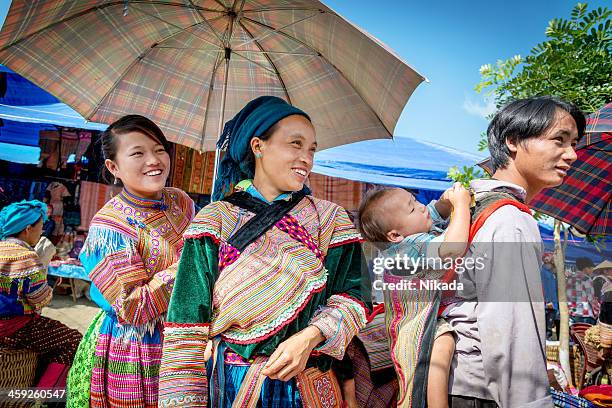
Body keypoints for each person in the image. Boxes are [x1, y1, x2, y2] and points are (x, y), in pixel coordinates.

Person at [158, 96, 371, 407]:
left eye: (311, 149)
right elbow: (186, 325)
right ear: (258, 146)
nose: (306, 159)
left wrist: (310, 336)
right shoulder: (215, 220)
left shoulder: (330, 220)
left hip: (310, 383)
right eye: (295, 144)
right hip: (232, 384)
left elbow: (355, 296)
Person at [445, 96, 585, 407]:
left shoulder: (473, 206)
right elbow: (510, 332)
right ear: (513, 141)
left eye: (573, 143)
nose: (572, 155)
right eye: (559, 141)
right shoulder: (511, 219)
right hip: (481, 392)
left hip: (458, 383)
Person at [65, 115, 195, 407]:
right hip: (138, 349)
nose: (154, 160)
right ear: (114, 167)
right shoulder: (109, 229)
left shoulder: (182, 201)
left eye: (159, 149)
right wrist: (192, 263)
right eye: (138, 153)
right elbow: (133, 307)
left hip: (187, 339)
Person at [358, 183, 472, 408]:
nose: (421, 208)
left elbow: (432, 213)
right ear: (395, 235)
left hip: (412, 320)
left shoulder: (409, 235)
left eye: (416, 201)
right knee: (443, 342)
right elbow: (452, 248)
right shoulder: (409, 248)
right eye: (412, 208)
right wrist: (461, 207)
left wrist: (443, 204)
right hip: (413, 328)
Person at [0, 199, 82, 388]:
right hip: (16, 328)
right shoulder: (26, 256)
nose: (42, 231)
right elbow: (40, 300)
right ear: (28, 229)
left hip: (8, 325)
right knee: (73, 341)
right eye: (40, 226)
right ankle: (45, 393)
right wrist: (49, 287)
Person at [567, 257, 598, 325]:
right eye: (591, 268)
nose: (592, 270)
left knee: (575, 334)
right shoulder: (586, 279)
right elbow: (591, 298)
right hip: (584, 314)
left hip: (573, 312)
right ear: (586, 269)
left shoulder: (570, 279)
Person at [541, 252, 560, 340]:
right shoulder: (544, 272)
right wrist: (548, 301)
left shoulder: (553, 274)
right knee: (546, 328)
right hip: (548, 304)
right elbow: (545, 288)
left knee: (549, 327)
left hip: (553, 304)